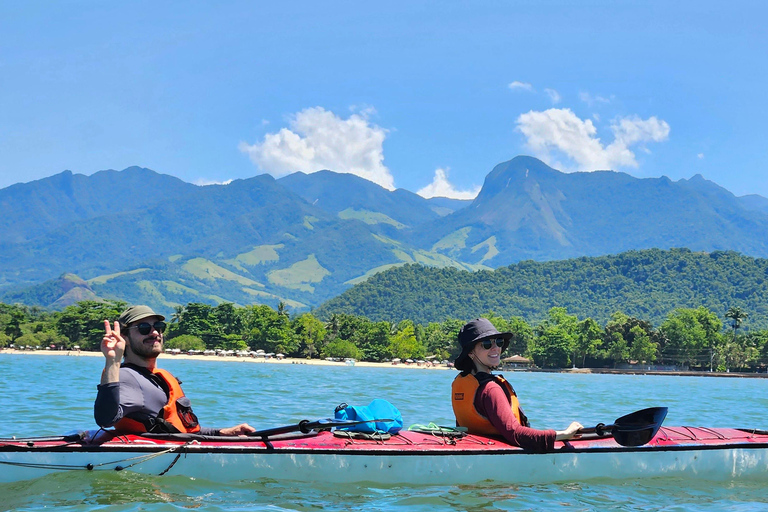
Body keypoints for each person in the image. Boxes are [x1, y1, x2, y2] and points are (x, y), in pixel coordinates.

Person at [95, 305, 255, 436]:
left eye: (159, 327)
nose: (155, 333)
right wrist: (113, 361)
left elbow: (186, 430)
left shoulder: (157, 378)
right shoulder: (128, 377)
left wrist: (224, 432)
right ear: (125, 338)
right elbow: (106, 419)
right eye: (144, 328)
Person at [451, 318, 582, 452]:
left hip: (479, 451)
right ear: (471, 353)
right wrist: (564, 434)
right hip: (496, 455)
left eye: (498, 342)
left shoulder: (462, 384)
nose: (496, 348)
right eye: (486, 344)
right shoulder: (491, 389)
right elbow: (516, 434)